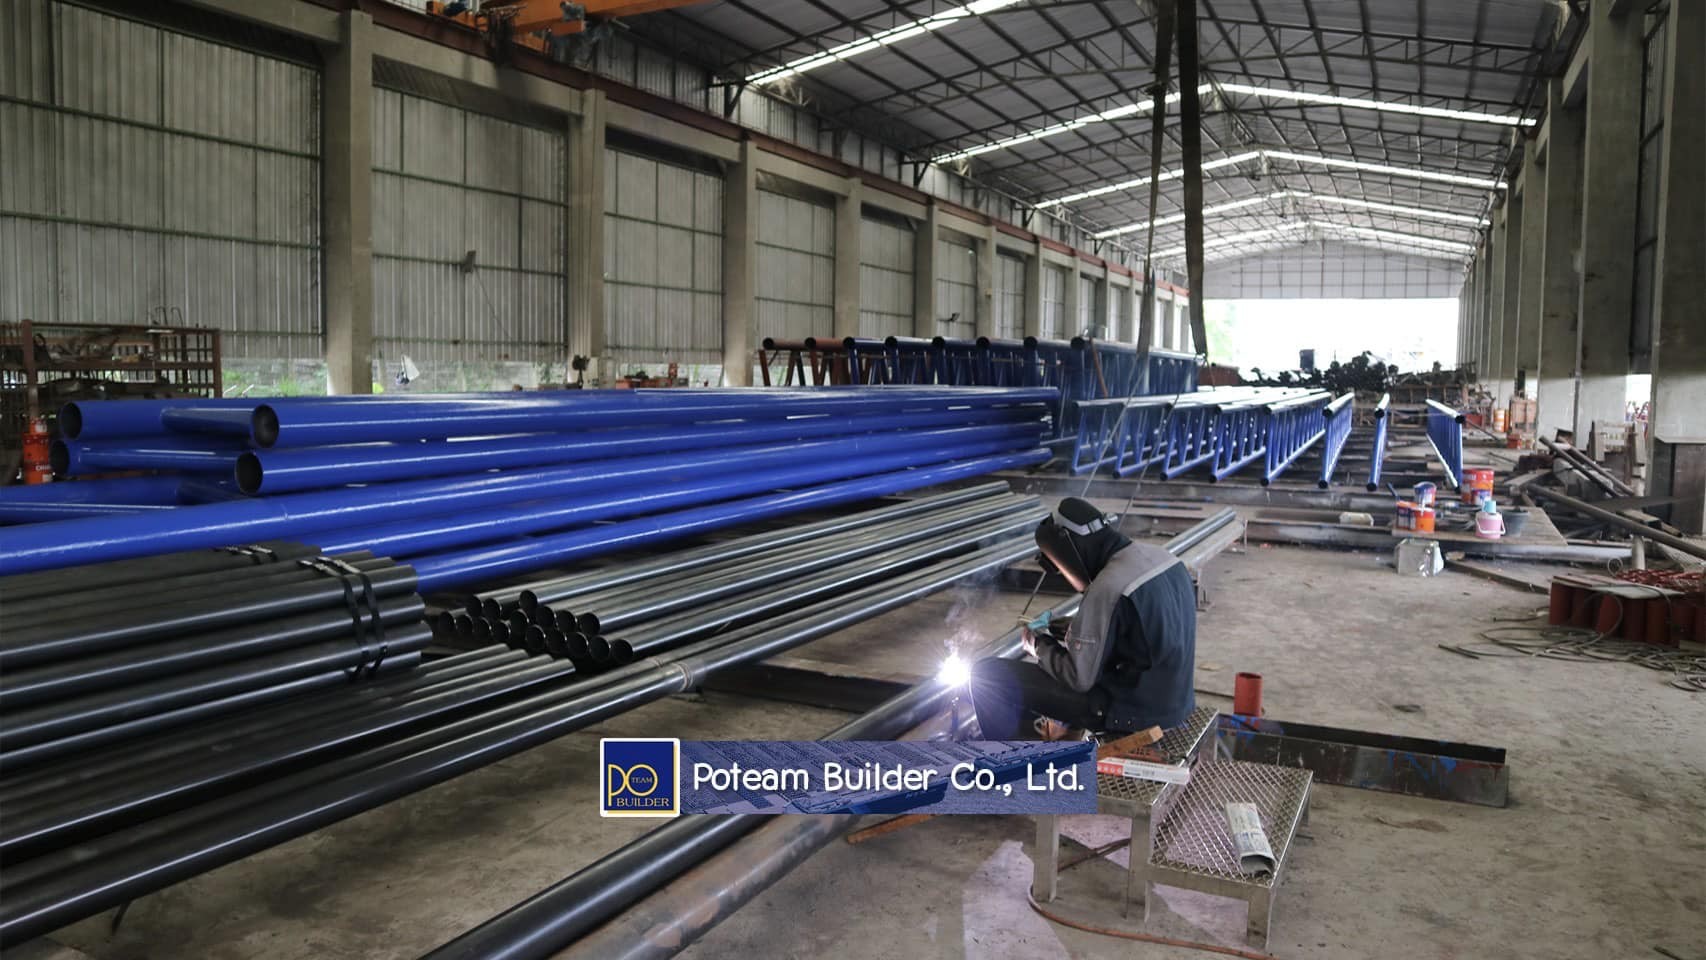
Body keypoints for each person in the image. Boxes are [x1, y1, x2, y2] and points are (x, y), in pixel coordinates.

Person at [969, 497, 1196, 740]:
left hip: (1130, 711)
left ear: (1067, 547)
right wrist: (1073, 629)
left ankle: (1022, 758)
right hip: (1173, 702)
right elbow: (1140, 635)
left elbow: (1078, 678)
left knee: (987, 674)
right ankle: (1059, 739)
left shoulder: (1109, 586)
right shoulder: (1163, 557)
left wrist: (1038, 645)